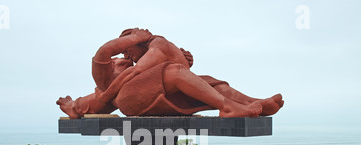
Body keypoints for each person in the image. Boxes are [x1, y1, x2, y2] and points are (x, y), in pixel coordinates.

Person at [57, 28, 284, 118]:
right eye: (124, 51)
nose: (127, 56)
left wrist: (186, 67)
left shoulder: (142, 69)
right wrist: (136, 37)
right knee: (174, 68)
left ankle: (255, 103)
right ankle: (227, 107)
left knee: (210, 83)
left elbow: (159, 76)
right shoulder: (108, 71)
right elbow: (104, 51)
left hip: (149, 96)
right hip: (129, 101)